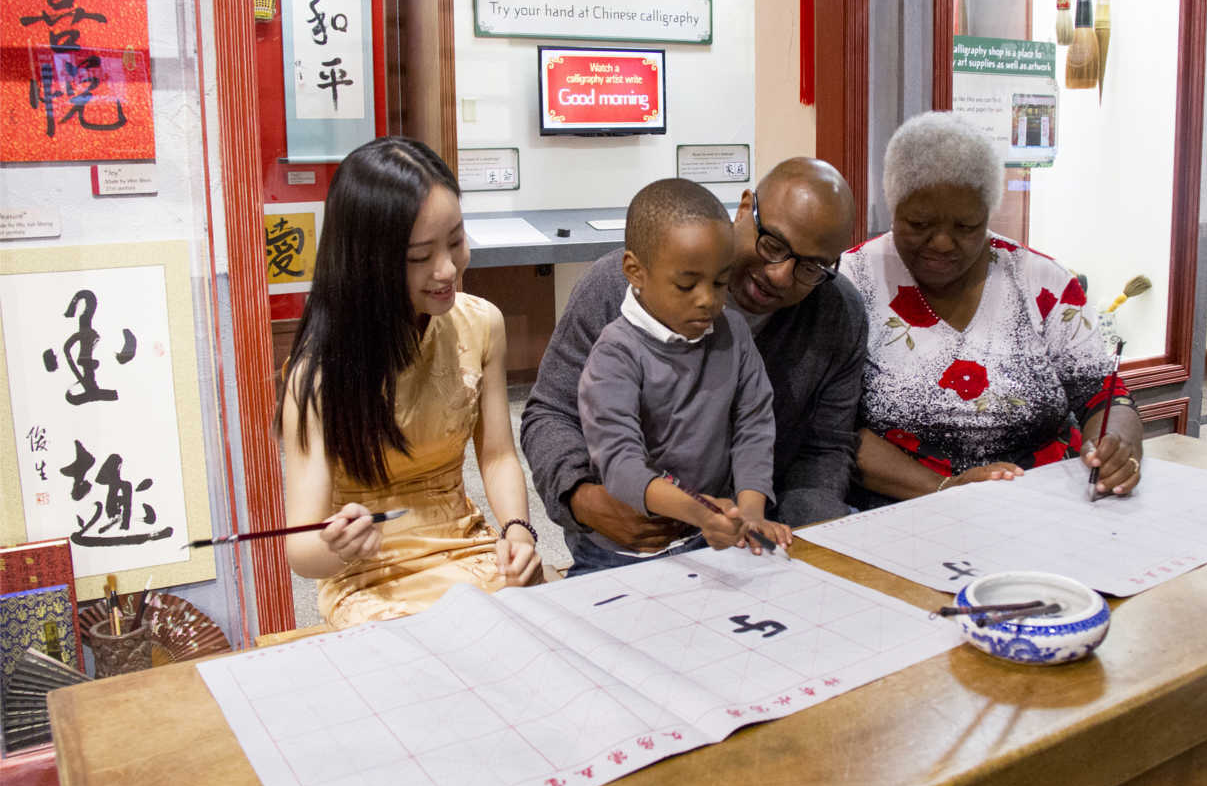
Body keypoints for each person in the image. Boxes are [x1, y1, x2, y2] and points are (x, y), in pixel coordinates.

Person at [522, 158, 865, 574]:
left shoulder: (831, 312)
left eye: (811, 267)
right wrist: (581, 497)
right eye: (773, 244)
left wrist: (791, 532)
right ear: (745, 208)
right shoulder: (614, 294)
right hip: (624, 543)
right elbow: (551, 412)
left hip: (731, 535)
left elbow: (817, 446)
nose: (779, 275)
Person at [276, 136, 542, 629]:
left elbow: (498, 454)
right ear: (366, 261)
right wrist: (336, 547)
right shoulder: (318, 375)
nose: (447, 269)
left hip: (466, 544)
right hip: (371, 576)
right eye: (420, 256)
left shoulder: (481, 323)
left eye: (456, 241)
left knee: (533, 627)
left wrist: (519, 531)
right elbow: (302, 551)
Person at [840, 112, 1142, 507]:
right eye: (919, 223)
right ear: (892, 208)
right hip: (901, 509)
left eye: (966, 226)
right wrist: (945, 489)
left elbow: (1104, 394)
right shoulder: (851, 281)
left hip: (1044, 503)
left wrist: (1117, 445)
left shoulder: (1043, 283)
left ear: (988, 213)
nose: (943, 243)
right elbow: (831, 430)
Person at [575, 179, 792, 570]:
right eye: (687, 284)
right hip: (625, 549)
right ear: (634, 271)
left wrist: (751, 510)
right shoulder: (616, 353)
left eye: (720, 282)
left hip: (706, 535)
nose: (708, 299)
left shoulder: (734, 333)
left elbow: (754, 425)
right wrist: (702, 511)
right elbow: (622, 467)